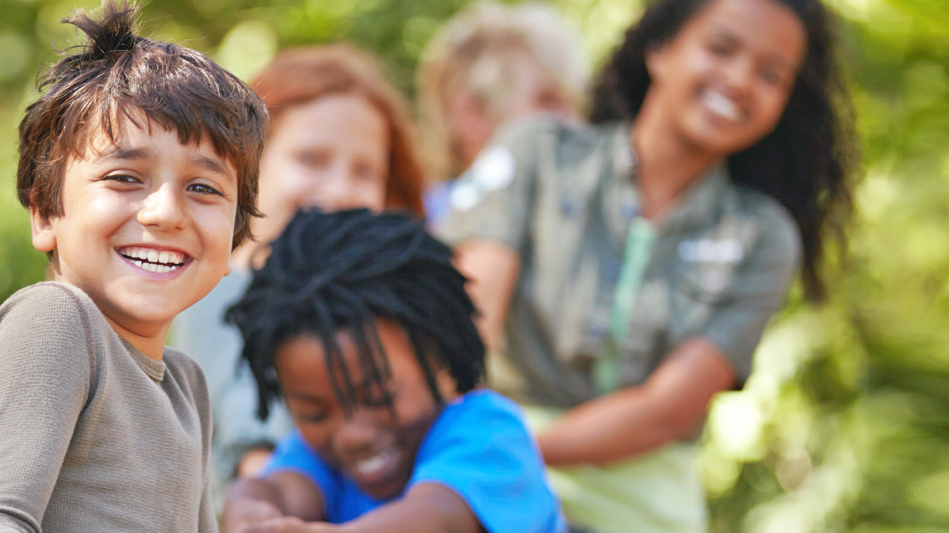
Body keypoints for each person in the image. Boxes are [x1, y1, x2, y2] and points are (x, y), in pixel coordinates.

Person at [441, 0, 853, 530]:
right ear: (660, 49)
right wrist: (479, 443)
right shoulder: (537, 152)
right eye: (721, 48)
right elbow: (468, 316)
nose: (740, 80)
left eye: (771, 74)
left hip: (636, 506)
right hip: (487, 473)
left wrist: (516, 445)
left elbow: (665, 412)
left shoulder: (762, 238)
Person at [0, 1, 268, 531]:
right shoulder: (56, 322)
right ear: (45, 211)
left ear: (234, 238)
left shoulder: (187, 386)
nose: (165, 214)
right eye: (123, 178)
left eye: (203, 188)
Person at [171, 44, 428, 493]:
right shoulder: (217, 289)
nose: (340, 190)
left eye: (365, 171)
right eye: (311, 159)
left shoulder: (395, 304)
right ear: (247, 163)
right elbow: (251, 445)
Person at [219, 209, 566, 533]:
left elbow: (437, 517)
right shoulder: (316, 458)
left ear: (441, 360)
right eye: (315, 413)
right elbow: (273, 489)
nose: (353, 435)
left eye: (378, 396)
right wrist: (251, 511)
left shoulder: (490, 433)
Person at [414, 2, 588, 228]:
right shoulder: (422, 227)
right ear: (474, 113)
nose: (575, 123)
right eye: (547, 101)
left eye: (574, 104)